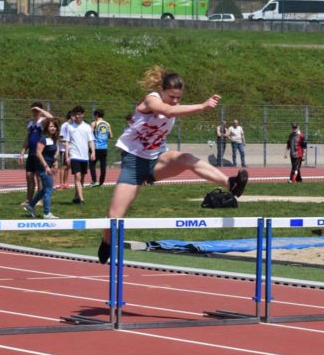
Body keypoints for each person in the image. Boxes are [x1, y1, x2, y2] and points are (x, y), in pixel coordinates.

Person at [97, 66, 248, 265]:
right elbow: (166, 110)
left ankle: (231, 183)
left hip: (157, 159)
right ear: (162, 91)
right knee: (114, 216)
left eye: (178, 98)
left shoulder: (174, 106)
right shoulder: (151, 99)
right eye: (171, 96)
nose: (175, 101)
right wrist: (202, 106)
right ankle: (107, 242)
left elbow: (169, 117)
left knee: (185, 158)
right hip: (134, 162)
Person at [24, 117, 61, 219]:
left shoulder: (53, 139)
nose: (52, 128)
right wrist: (46, 166)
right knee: (49, 190)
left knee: (45, 189)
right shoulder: (43, 139)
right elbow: (38, 153)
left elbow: (53, 153)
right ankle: (46, 213)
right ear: (46, 128)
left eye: (54, 126)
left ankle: (30, 205)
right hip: (42, 166)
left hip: (49, 165)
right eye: (50, 126)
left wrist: (54, 162)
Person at [20, 103, 52, 206]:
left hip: (40, 154)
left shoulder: (43, 121)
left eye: (36, 111)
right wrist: (22, 152)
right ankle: (28, 200)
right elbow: (27, 139)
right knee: (29, 176)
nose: (34, 112)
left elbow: (51, 117)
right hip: (31, 154)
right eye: (33, 110)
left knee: (39, 178)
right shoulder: (30, 124)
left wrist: (40, 109)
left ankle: (39, 200)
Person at [66, 106, 95, 204]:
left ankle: (76, 197)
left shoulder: (87, 127)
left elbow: (91, 141)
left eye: (79, 114)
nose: (77, 116)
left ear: (83, 115)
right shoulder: (70, 127)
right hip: (74, 155)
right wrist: (67, 155)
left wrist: (93, 152)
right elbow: (67, 142)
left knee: (82, 178)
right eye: (76, 114)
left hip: (84, 156)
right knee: (77, 176)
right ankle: (82, 199)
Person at [90, 109, 112, 187]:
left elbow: (90, 135)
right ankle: (101, 182)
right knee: (103, 165)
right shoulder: (107, 124)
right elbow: (110, 135)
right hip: (104, 147)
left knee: (92, 164)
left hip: (96, 147)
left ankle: (94, 180)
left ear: (96, 115)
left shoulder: (94, 123)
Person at [58, 111, 73, 190]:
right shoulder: (64, 125)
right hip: (64, 149)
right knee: (63, 166)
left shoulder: (72, 126)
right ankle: (61, 183)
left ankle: (66, 183)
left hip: (70, 149)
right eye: (74, 116)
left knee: (68, 166)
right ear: (71, 117)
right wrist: (68, 141)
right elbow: (60, 139)